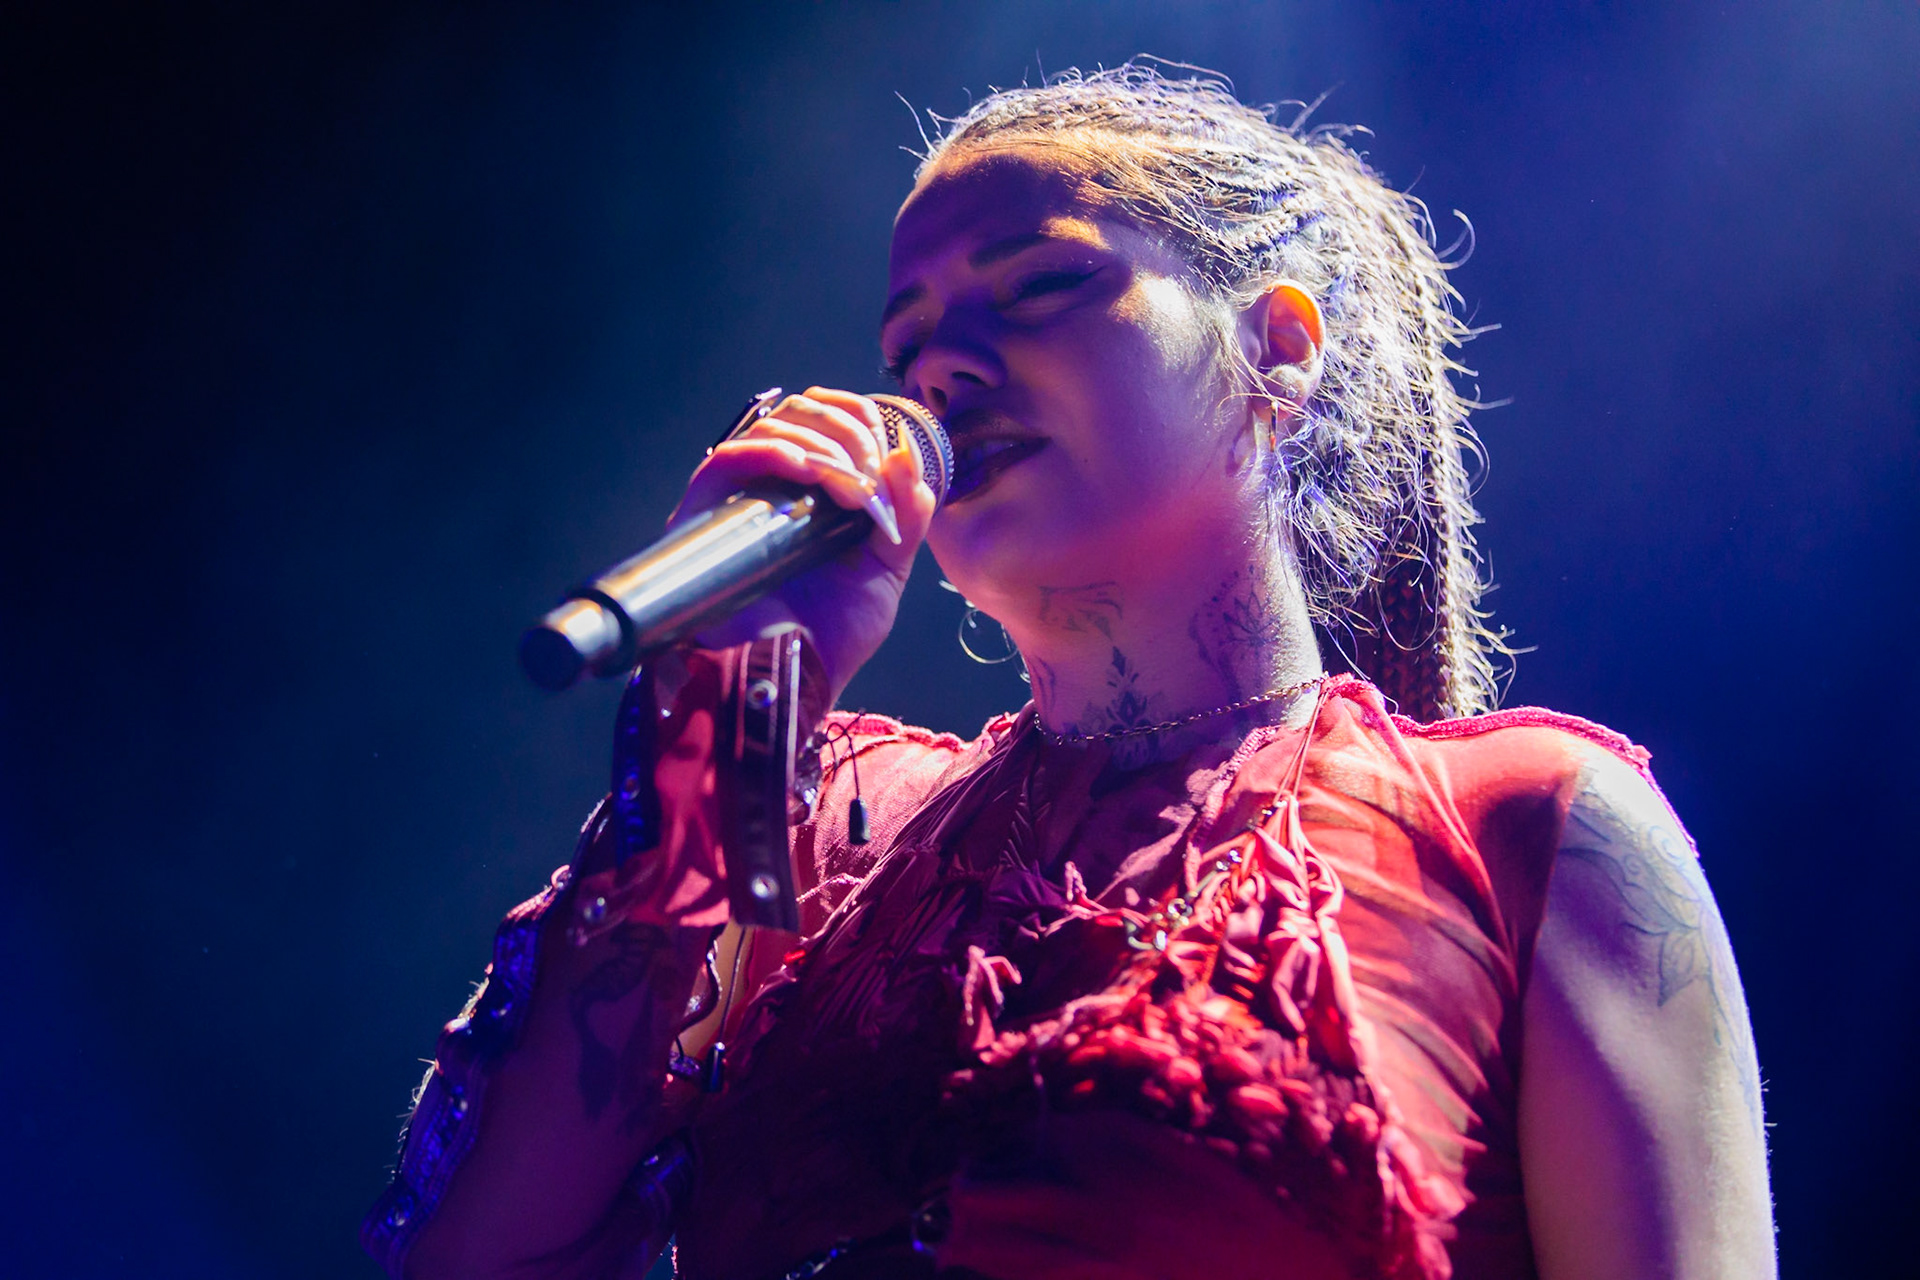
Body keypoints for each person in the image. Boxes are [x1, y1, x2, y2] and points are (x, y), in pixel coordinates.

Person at [365, 66, 1773, 1279]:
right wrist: (732, 708)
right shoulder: (811, 814)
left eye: (1040, 285)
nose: (941, 371)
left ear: (1278, 351)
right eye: (908, 344)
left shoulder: (1529, 825)